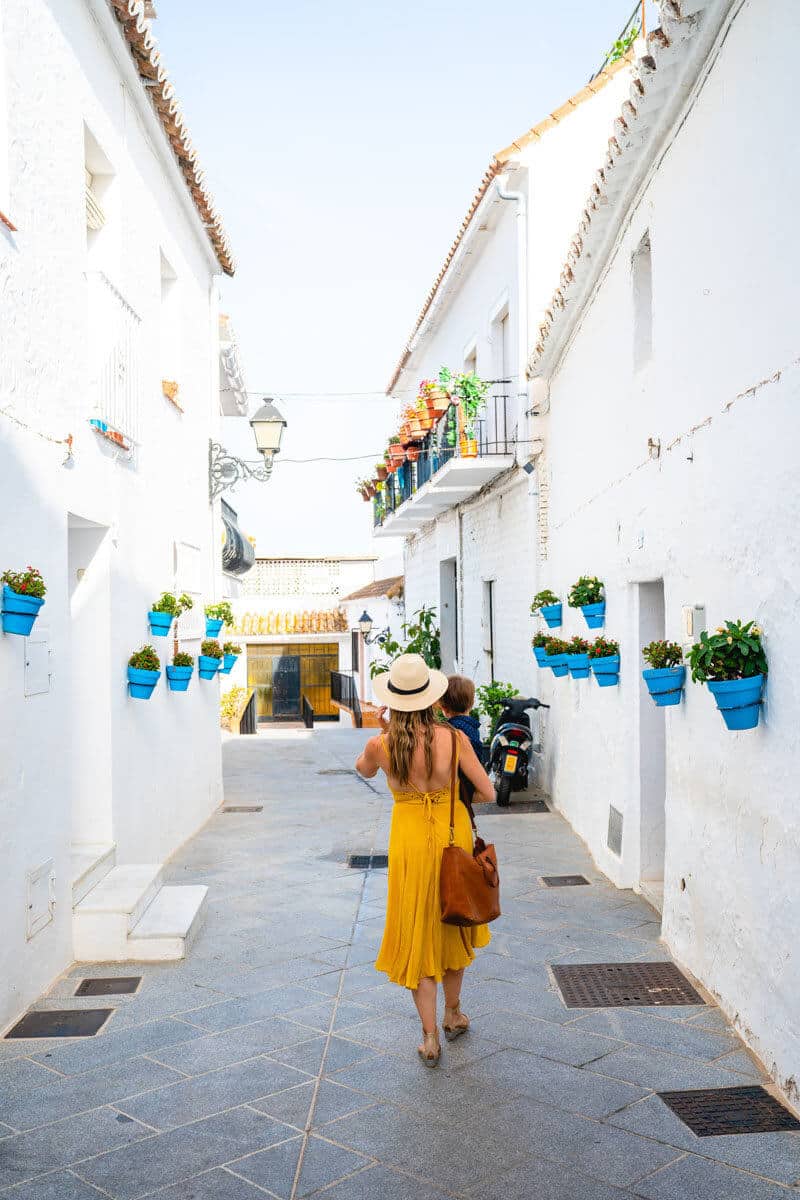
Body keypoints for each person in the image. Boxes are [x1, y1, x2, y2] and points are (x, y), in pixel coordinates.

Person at [355, 654, 495, 1067]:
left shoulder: (380, 745)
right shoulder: (454, 739)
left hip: (410, 843)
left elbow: (362, 771)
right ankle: (453, 1014)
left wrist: (382, 732)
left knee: (419, 929)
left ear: (392, 700)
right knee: (452, 925)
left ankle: (430, 1036)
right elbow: (486, 792)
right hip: (452, 838)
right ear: (431, 699)